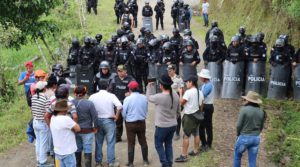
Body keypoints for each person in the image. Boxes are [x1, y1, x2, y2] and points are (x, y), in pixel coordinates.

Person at [146, 74, 179, 167]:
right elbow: (178, 110)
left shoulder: (159, 97)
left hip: (162, 127)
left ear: (161, 85)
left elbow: (148, 97)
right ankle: (169, 163)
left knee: (158, 144)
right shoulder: (175, 94)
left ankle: (165, 164)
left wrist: (149, 86)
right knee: (168, 144)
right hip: (173, 125)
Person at [89, 80, 122, 167]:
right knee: (110, 142)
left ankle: (98, 162)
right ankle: (111, 162)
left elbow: (89, 108)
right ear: (108, 87)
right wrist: (117, 116)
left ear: (98, 87)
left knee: (98, 142)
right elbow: (119, 106)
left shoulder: (92, 96)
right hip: (109, 121)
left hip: (97, 121)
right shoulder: (111, 96)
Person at [175, 75, 204, 163]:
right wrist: (199, 112)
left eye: (187, 82)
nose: (186, 83)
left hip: (189, 116)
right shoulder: (200, 92)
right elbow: (202, 105)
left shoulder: (189, 92)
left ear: (191, 82)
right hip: (197, 115)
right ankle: (195, 151)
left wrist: (180, 93)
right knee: (197, 133)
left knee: (186, 136)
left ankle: (184, 155)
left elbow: (181, 102)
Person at [233, 91, 266, 167]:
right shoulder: (261, 111)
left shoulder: (244, 109)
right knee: (252, 160)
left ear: (248, 100)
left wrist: (238, 134)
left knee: (237, 156)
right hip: (256, 138)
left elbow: (238, 125)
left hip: (244, 137)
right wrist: (257, 133)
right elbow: (261, 126)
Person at [122, 81, 149, 167]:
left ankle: (130, 163)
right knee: (143, 141)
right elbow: (146, 109)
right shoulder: (144, 97)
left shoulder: (127, 99)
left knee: (131, 142)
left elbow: (124, 113)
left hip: (130, 123)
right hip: (141, 122)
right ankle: (145, 161)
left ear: (130, 89)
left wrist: (126, 119)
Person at [50, 99, 81, 167]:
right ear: (63, 110)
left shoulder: (52, 118)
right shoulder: (66, 119)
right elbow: (78, 128)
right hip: (68, 151)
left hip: (57, 152)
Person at [72, 86, 98, 167]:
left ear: (75, 93)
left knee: (77, 149)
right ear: (85, 93)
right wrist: (95, 127)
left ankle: (78, 165)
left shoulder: (71, 103)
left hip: (75, 130)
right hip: (87, 130)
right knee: (88, 149)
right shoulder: (89, 103)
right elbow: (95, 117)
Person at [111, 65, 135, 142]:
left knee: (129, 122)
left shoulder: (130, 79)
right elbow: (110, 90)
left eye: (121, 71)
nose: (119, 72)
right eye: (118, 71)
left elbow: (136, 88)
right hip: (117, 105)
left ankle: (131, 137)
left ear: (125, 71)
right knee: (118, 122)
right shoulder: (114, 79)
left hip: (128, 104)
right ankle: (118, 137)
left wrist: (131, 93)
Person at [31, 81, 50, 166]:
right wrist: (49, 124)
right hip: (42, 123)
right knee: (43, 143)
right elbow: (47, 112)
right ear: (44, 89)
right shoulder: (45, 97)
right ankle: (42, 162)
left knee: (38, 142)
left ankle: (38, 159)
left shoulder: (33, 97)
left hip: (35, 121)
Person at [198, 69, 214, 151]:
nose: (200, 77)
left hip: (207, 106)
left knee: (205, 126)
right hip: (205, 106)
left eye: (201, 76)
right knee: (205, 126)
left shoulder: (208, 85)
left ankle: (206, 144)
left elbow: (202, 95)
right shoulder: (204, 85)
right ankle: (206, 143)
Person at [167, 65, 184, 140]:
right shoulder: (167, 77)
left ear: (174, 70)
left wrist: (181, 97)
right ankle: (170, 131)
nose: (169, 72)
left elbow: (181, 89)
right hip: (167, 98)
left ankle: (177, 132)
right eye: (168, 70)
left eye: (170, 70)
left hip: (176, 97)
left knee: (177, 115)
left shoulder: (178, 78)